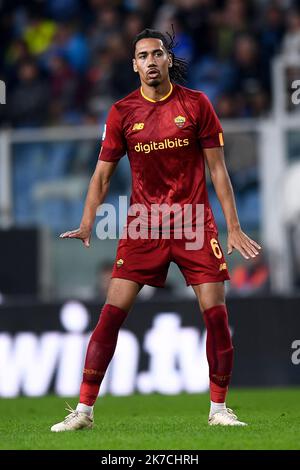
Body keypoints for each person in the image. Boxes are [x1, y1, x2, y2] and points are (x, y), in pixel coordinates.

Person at [51, 28, 261, 432]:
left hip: (194, 224)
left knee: (216, 316)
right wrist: (86, 220)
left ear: (167, 60)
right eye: (142, 55)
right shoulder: (121, 112)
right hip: (143, 226)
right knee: (110, 316)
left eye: (157, 53)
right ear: (134, 65)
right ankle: (83, 412)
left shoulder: (197, 104)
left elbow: (218, 170)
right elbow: (101, 175)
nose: (150, 61)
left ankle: (219, 409)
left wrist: (233, 227)